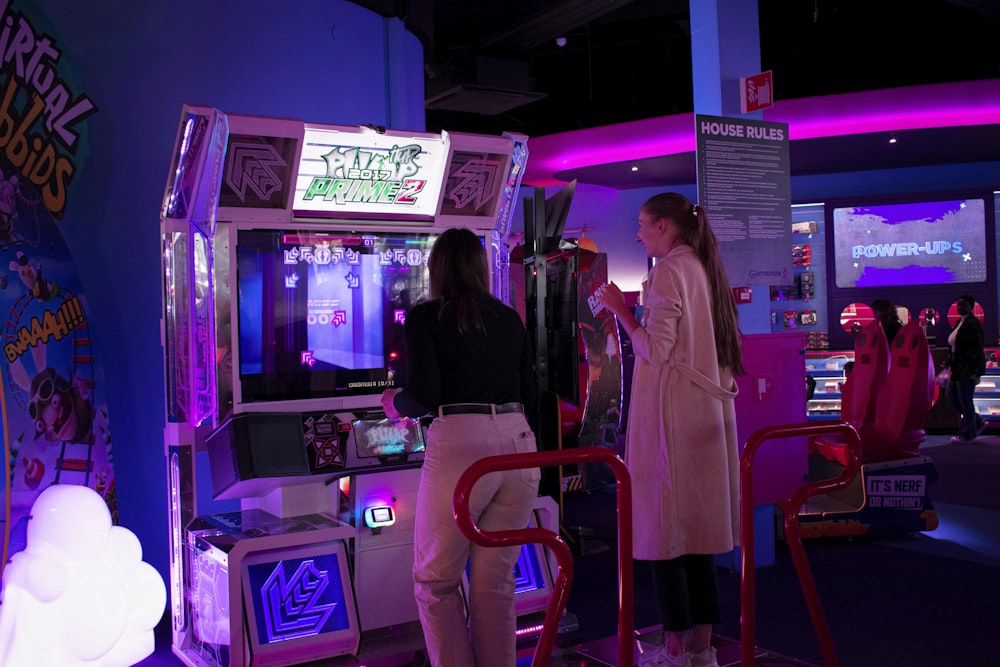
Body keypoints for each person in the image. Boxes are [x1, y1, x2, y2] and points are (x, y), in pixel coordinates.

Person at [380, 227, 539, 667]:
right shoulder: (509, 318)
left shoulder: (426, 316)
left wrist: (396, 403)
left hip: (462, 445)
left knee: (435, 581)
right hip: (520, 444)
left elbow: (426, 392)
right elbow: (530, 390)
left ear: (437, 268)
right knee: (495, 584)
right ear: (480, 267)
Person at [595, 193, 743, 667]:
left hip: (669, 421)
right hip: (702, 417)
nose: (637, 235)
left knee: (662, 533)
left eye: (641, 226)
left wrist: (620, 309)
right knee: (697, 536)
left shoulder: (667, 273)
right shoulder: (703, 269)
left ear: (663, 226)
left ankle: (676, 649)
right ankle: (701, 646)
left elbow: (655, 351)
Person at [945, 294, 987, 443]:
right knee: (952, 396)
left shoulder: (973, 324)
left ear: (971, 306)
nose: (960, 307)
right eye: (959, 305)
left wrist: (971, 370)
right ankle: (976, 421)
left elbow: (975, 349)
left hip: (966, 369)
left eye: (963, 305)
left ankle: (967, 434)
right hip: (957, 367)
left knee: (965, 401)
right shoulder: (960, 322)